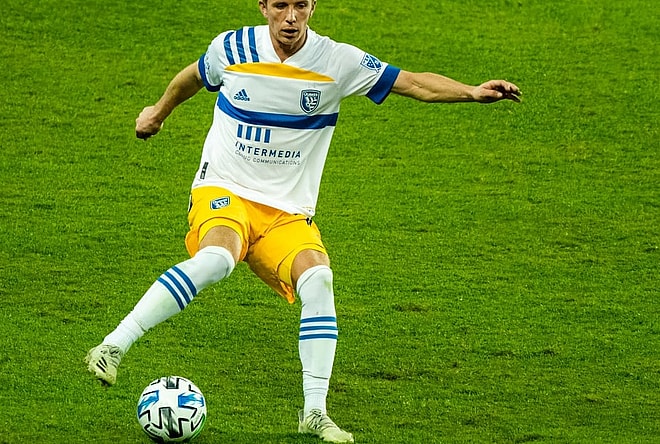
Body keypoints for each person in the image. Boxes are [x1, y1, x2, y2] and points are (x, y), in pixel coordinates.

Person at [86, 0, 521, 442]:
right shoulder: (233, 47)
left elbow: (411, 83)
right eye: (280, 5)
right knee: (217, 258)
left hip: (288, 212)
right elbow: (195, 77)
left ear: (312, 7)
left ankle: (314, 412)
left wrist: (471, 91)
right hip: (225, 189)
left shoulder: (338, 61)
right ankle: (113, 346)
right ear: (263, 7)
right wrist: (157, 113)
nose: (290, 16)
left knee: (319, 280)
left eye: (300, 5)